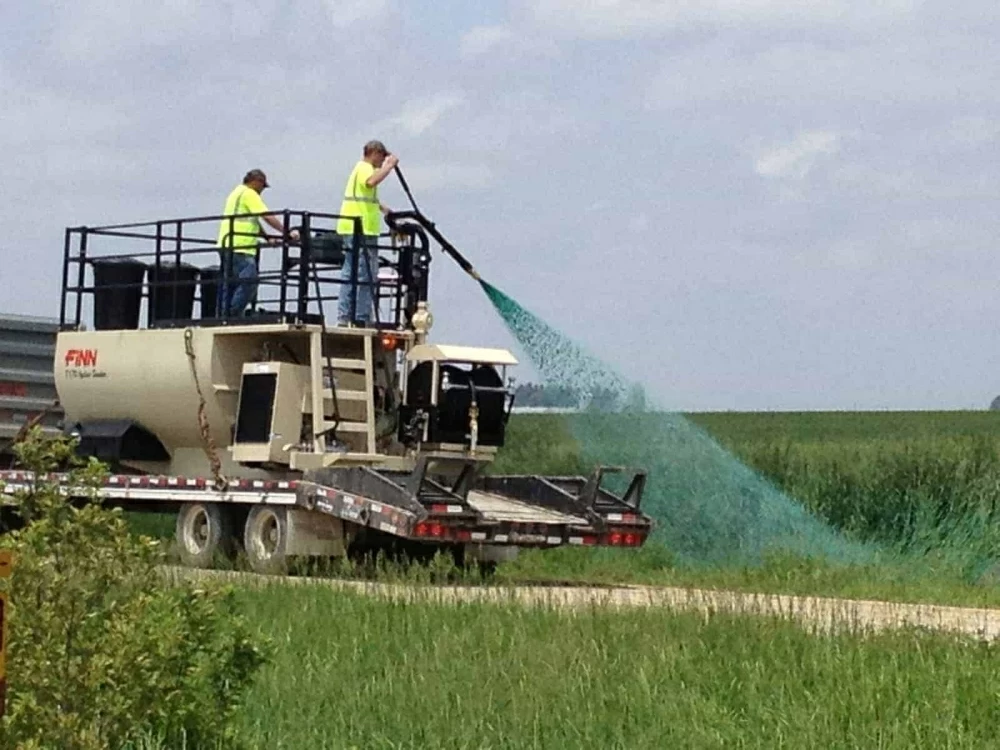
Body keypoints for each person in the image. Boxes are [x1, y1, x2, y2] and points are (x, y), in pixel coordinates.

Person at [216, 169, 298, 318]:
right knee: (250, 280)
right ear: (257, 181)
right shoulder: (249, 194)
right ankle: (231, 315)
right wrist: (286, 232)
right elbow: (266, 215)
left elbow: (252, 220)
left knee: (230, 284)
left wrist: (267, 238)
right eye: (263, 186)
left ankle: (223, 316)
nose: (262, 191)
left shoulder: (236, 193)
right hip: (240, 246)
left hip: (227, 244)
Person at [336, 141, 397, 325]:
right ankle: (359, 317)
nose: (381, 161)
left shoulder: (359, 169)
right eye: (381, 157)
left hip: (356, 228)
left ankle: (346, 315)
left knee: (352, 272)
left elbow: (364, 195)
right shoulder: (364, 168)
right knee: (364, 273)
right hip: (361, 229)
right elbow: (371, 182)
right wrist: (389, 167)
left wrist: (382, 207)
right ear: (375, 153)